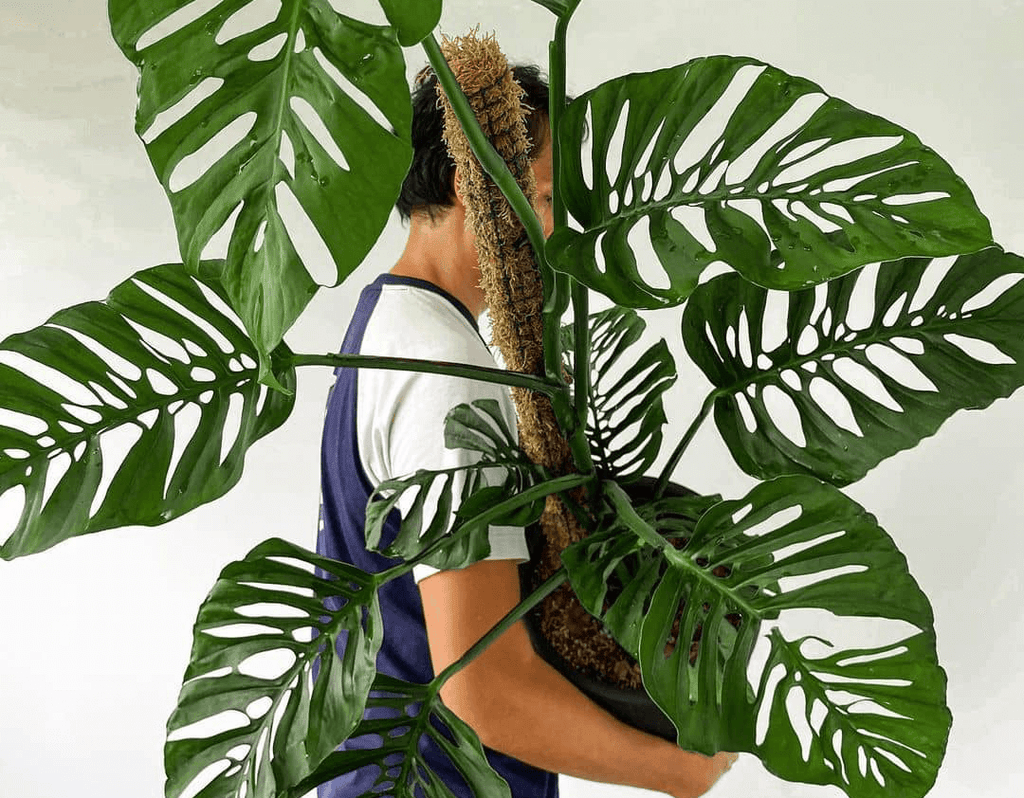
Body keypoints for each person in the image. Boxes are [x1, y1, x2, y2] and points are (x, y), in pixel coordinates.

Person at [315, 63, 737, 797]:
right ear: (467, 179)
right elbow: (482, 687)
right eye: (539, 198)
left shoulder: (389, 319)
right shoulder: (446, 371)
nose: (549, 229)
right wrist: (682, 772)